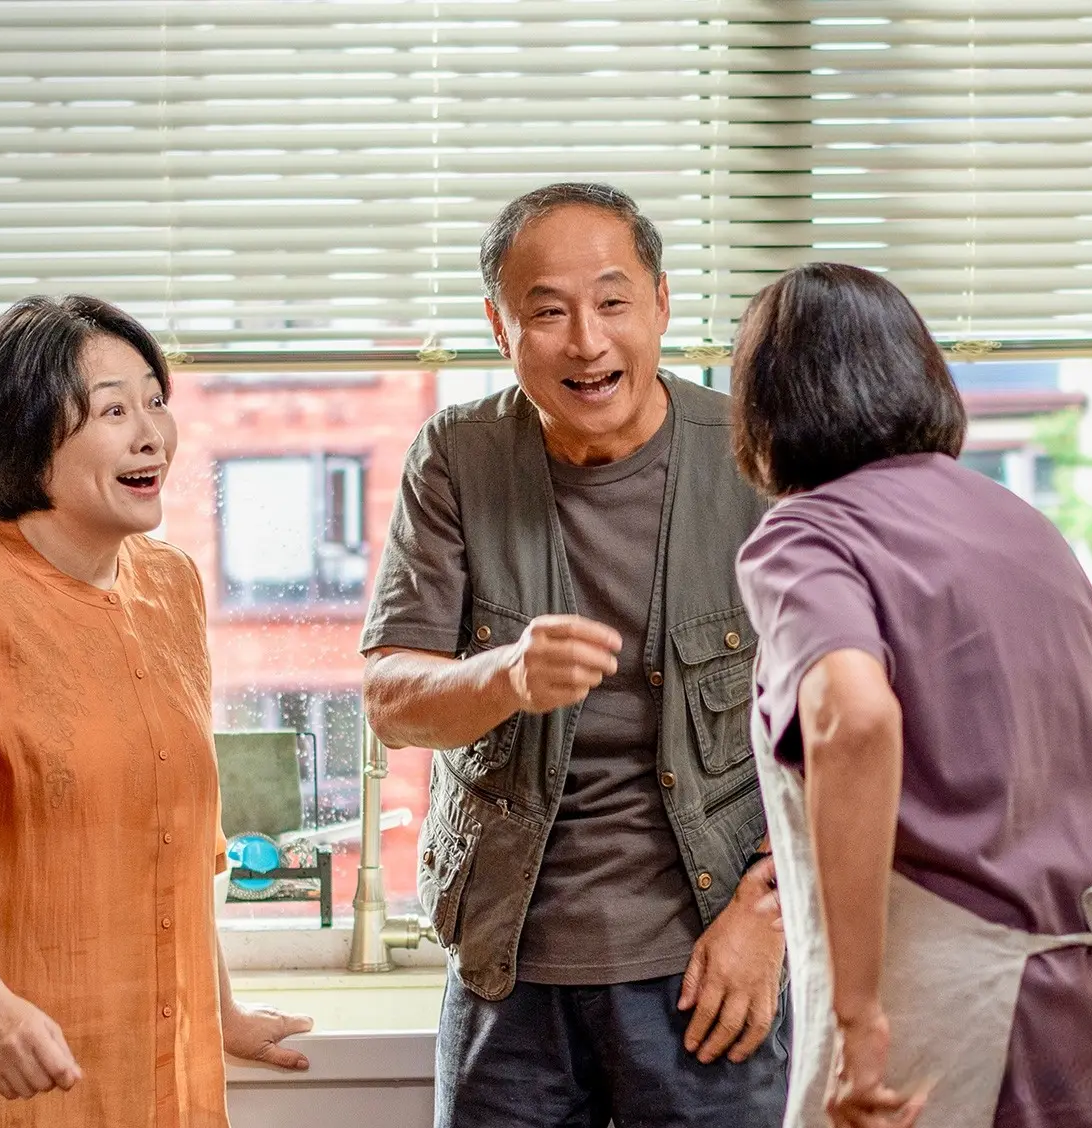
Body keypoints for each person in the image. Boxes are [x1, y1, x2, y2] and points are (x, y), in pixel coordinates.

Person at [0, 295, 311, 1128]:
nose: (151, 434)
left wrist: (218, 1014)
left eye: (155, 400)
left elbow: (173, 847)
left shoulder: (170, 587)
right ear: (28, 436)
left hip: (144, 1080)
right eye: (113, 411)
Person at [360, 182, 789, 1128]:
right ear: (500, 327)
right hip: (508, 974)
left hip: (711, 961)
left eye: (612, 301)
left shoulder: (758, 458)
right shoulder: (457, 457)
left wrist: (773, 916)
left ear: (661, 304)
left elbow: (849, 729)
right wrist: (505, 676)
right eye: (548, 312)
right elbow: (389, 697)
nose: (587, 342)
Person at [732, 262, 1092, 1128]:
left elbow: (854, 717)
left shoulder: (807, 534)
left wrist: (857, 1015)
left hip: (957, 1019)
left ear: (767, 407)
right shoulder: (1023, 526)